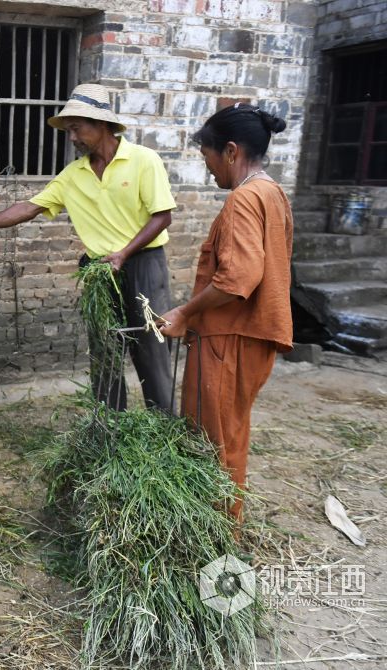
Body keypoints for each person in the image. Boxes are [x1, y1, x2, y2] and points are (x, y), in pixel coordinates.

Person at [0, 83, 176, 412]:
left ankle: (163, 427)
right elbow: (28, 207)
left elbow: (162, 216)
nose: (71, 138)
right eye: (68, 131)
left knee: (151, 346)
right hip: (100, 271)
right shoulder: (74, 174)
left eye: (76, 129)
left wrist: (124, 253)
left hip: (144, 265)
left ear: (101, 125)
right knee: (104, 350)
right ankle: (108, 426)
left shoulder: (144, 160)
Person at [158, 103, 293, 521]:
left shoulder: (243, 199)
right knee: (230, 435)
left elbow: (238, 279)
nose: (208, 167)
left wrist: (184, 312)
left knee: (212, 441)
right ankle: (221, 528)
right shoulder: (272, 192)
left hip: (229, 339)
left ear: (231, 151)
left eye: (207, 155)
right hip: (252, 336)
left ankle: (215, 534)